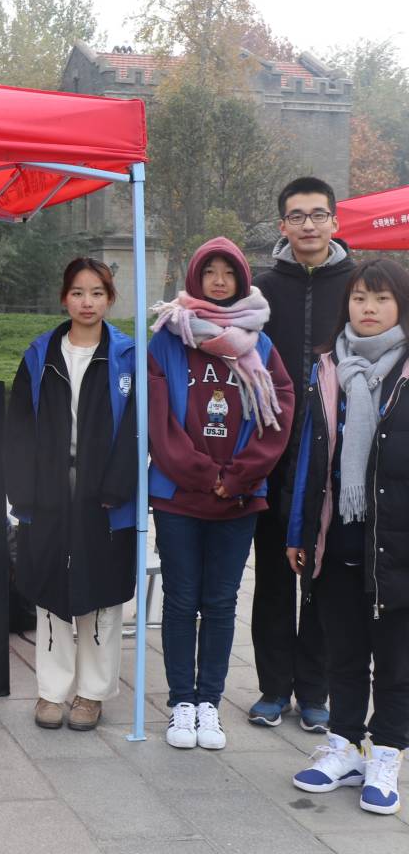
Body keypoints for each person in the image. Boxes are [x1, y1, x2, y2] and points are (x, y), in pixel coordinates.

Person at [149, 237, 295, 750]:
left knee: (220, 601)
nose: (217, 280)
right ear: (195, 278)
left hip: (239, 497)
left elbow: (279, 411)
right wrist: (200, 473)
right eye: (209, 271)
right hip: (178, 495)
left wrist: (235, 476)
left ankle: (209, 701)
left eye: (227, 272)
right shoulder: (169, 337)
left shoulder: (261, 344)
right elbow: (159, 420)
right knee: (180, 599)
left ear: (240, 280)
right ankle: (181, 702)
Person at [287, 259, 409, 815]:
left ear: (400, 305)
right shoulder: (328, 368)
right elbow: (310, 456)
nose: (369, 308)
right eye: (360, 297)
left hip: (398, 543)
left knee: (396, 659)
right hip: (337, 535)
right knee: (344, 651)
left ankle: (386, 753)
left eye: (381, 298)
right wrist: (299, 529)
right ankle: (344, 745)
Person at [7, 257, 138, 731]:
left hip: (105, 497)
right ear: (65, 298)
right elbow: (19, 428)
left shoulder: (126, 356)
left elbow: (137, 430)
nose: (88, 302)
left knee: (100, 594)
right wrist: (24, 491)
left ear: (110, 299)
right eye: (79, 293)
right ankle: (51, 691)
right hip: (49, 495)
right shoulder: (40, 355)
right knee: (51, 591)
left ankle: (92, 693)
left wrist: (118, 486)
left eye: (97, 293)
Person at [249, 176, 356, 732]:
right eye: (297, 216)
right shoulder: (261, 289)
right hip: (274, 450)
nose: (308, 225)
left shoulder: (357, 284)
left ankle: (315, 690)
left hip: (337, 455)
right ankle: (273, 688)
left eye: (318, 215)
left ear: (335, 221)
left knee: (323, 575)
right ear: (282, 225)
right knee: (272, 576)